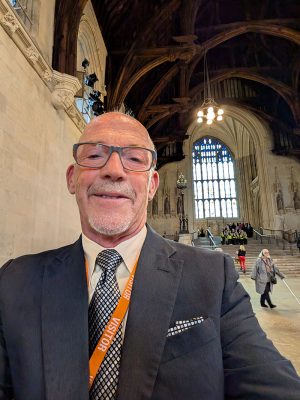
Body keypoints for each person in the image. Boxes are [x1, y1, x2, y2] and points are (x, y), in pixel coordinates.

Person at [1, 112, 300, 400]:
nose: (114, 169)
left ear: (153, 185)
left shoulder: (213, 277)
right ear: (71, 178)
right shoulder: (15, 282)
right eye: (94, 156)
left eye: (133, 159)